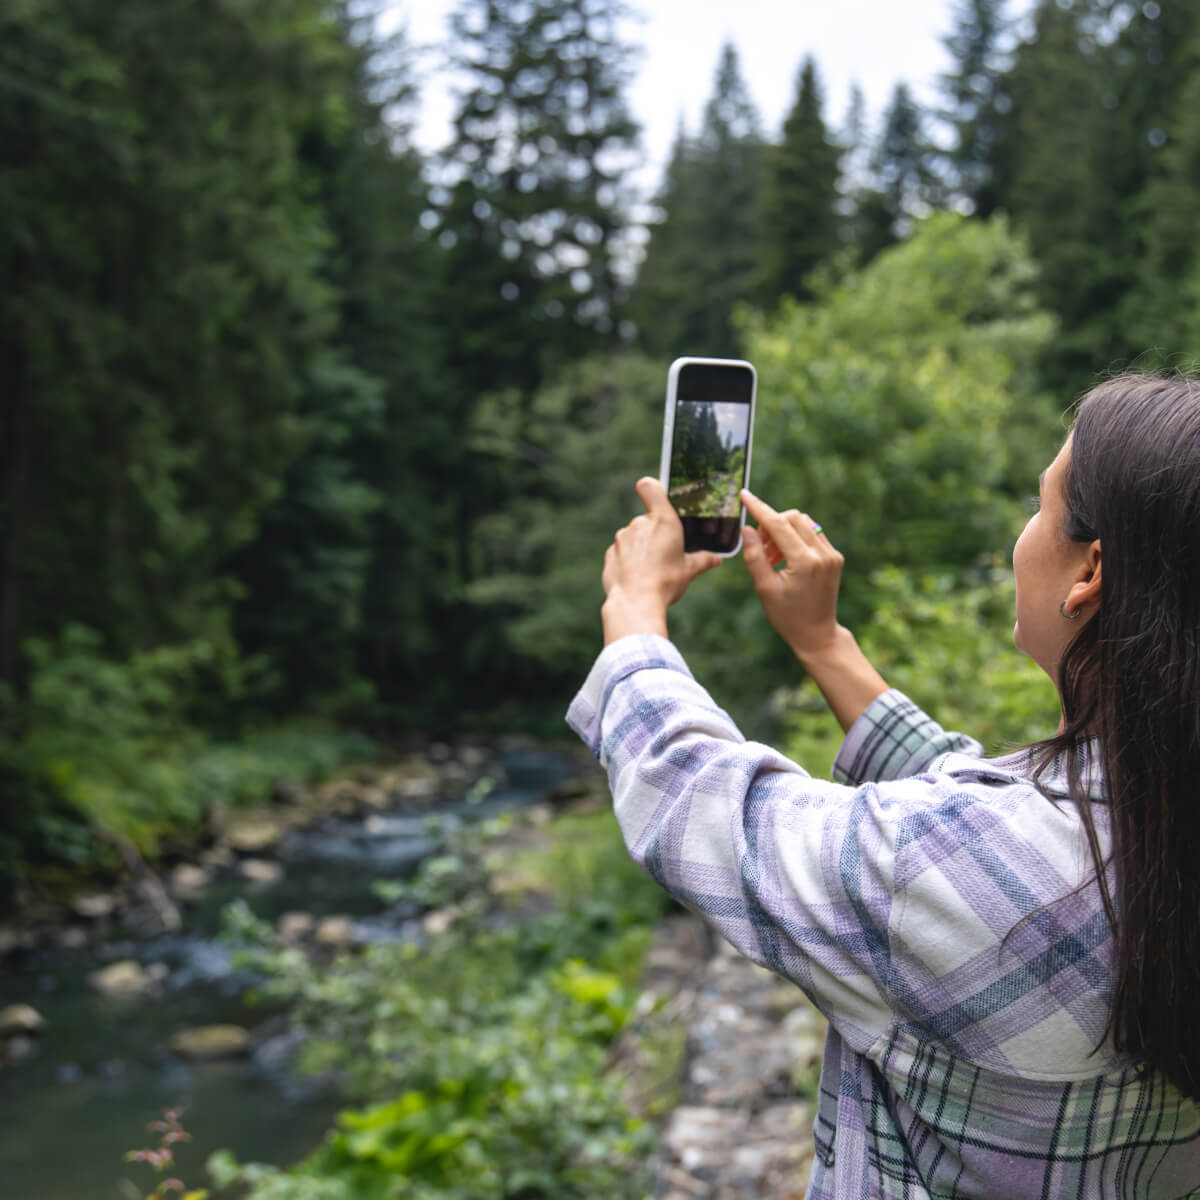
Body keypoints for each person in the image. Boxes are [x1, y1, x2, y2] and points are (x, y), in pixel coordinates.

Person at [566, 373, 1200, 1198]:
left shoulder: (954, 868)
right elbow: (996, 825)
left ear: (1091, 573)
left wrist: (634, 616)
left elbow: (709, 808)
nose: (1023, 536)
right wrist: (825, 643)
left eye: (1040, 508)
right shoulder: (1153, 820)